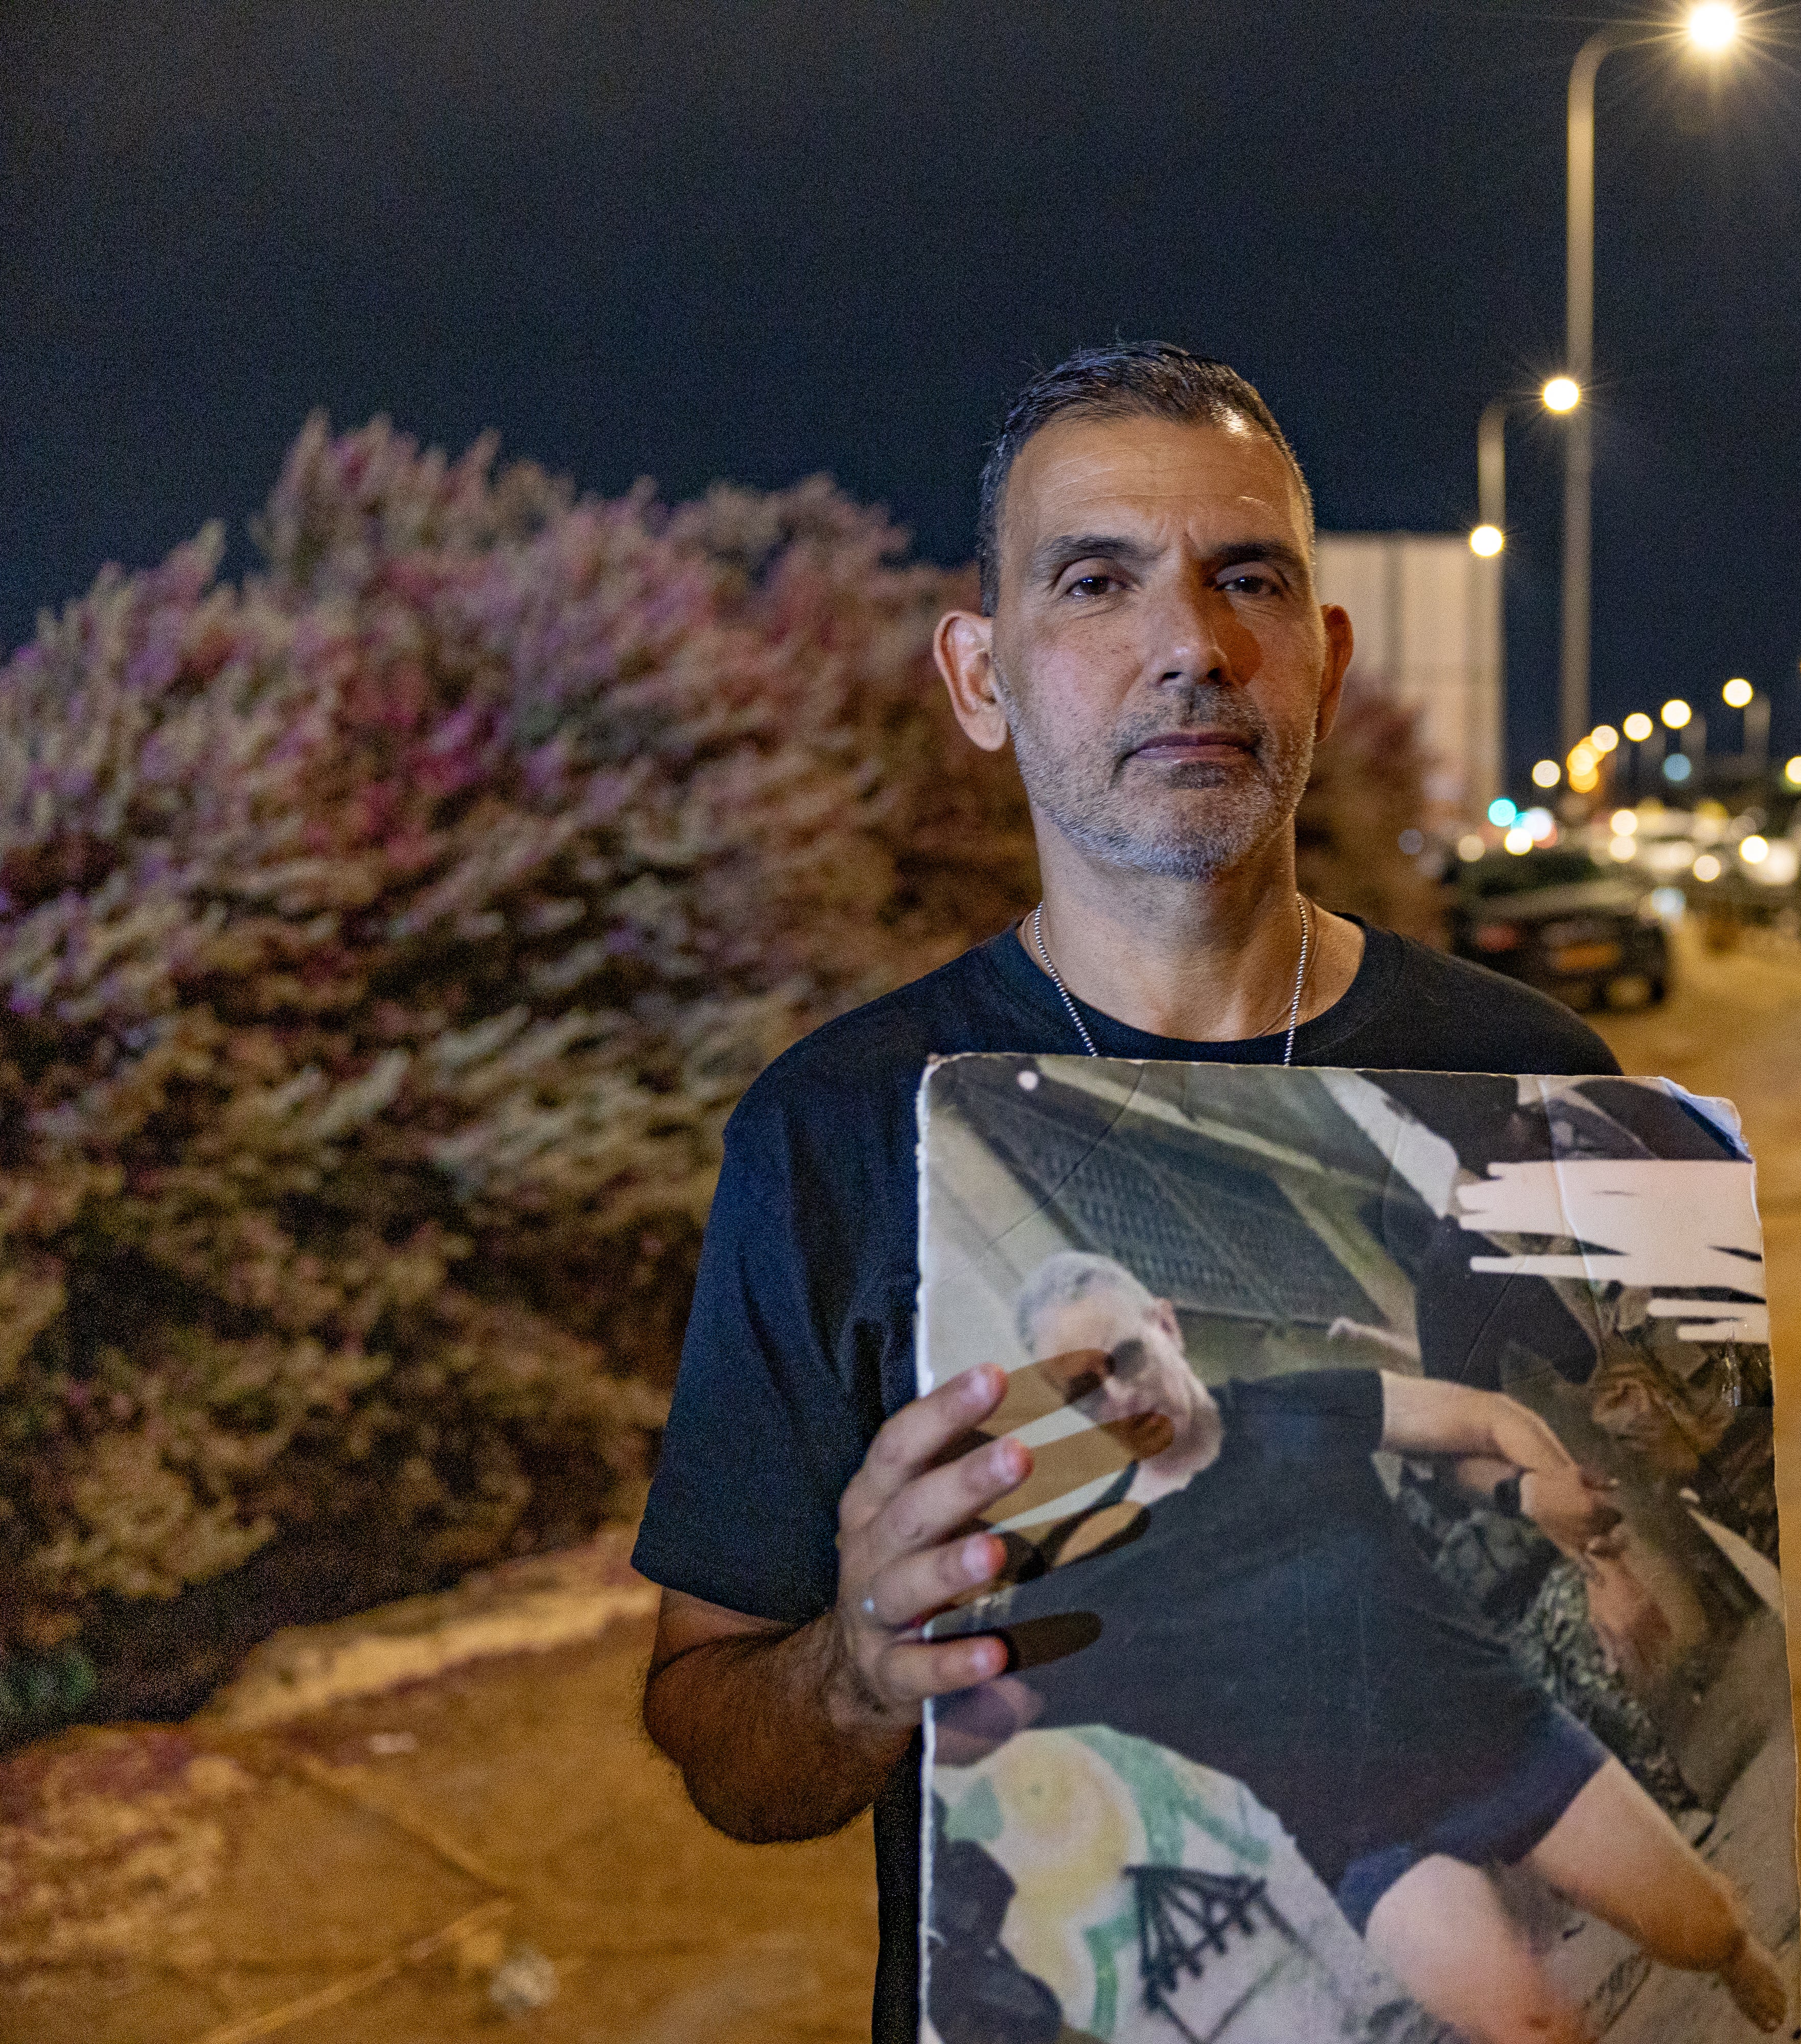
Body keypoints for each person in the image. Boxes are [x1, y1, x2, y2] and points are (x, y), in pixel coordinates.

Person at [634, 342, 1637, 2043]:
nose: (1190, 644)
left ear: (1319, 661)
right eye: (1095, 582)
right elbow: (723, 1737)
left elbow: (1609, 1510)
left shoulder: (1531, 1086)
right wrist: (861, 1667)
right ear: (981, 676)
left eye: (1247, 579)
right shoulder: (840, 1127)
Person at [928, 1253, 1786, 2041]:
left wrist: (1597, 1558)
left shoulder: (1299, 1410)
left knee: (1701, 1928)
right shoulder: (1087, 1571)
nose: (1118, 1398)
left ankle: (1735, 1951)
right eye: (1084, 1393)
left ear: (1166, 1325)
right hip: (1364, 1832)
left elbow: (1485, 1420)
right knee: (1538, 2030)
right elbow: (970, 1719)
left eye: (1127, 1359)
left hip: (1496, 1734)